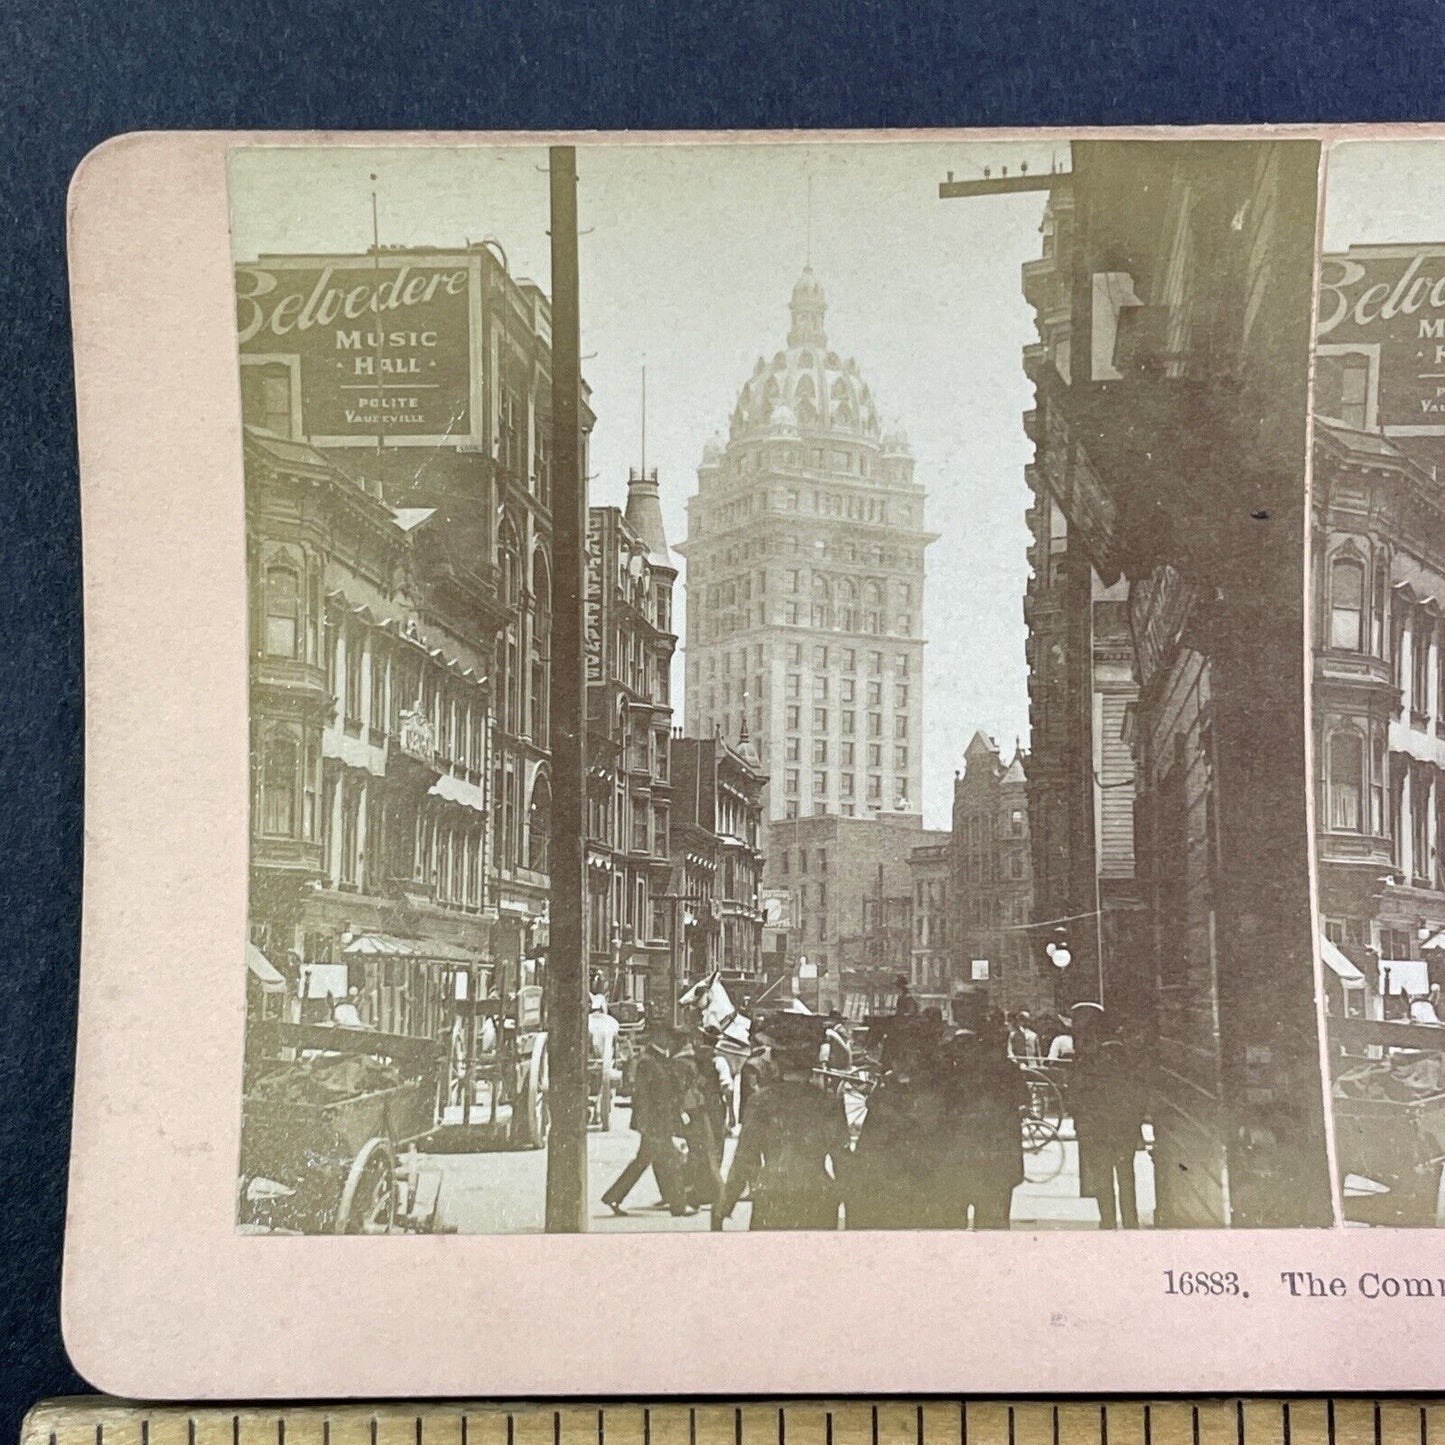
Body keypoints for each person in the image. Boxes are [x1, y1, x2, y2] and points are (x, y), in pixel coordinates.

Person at [714, 1036, 851, 1230]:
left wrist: (724, 1207)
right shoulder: (828, 1102)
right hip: (818, 1196)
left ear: (777, 1064)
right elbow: (843, 1161)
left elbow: (745, 1159)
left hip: (772, 1194)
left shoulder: (761, 1100)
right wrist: (853, 1211)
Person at [601, 1031, 689, 1217]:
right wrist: (645, 1123)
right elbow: (643, 1097)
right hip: (654, 1122)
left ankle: (614, 1197)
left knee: (645, 1161)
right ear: (658, 1037)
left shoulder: (655, 1060)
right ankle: (678, 1206)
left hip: (657, 1121)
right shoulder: (648, 1062)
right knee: (669, 1160)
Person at [1071, 1031, 1148, 1229]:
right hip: (1123, 1135)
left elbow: (1080, 1105)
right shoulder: (1130, 1074)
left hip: (1101, 1135)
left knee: (1103, 1179)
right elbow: (1140, 1104)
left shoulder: (1091, 1074)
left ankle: (1107, 1221)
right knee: (1126, 1177)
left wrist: (1083, 1130)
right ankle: (1130, 1220)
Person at [671, 1029, 726, 1211]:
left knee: (699, 1152)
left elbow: (680, 1090)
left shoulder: (682, 1061)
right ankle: (712, 1192)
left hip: (691, 1109)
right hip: (700, 1108)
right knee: (706, 1152)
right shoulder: (707, 1058)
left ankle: (703, 1192)